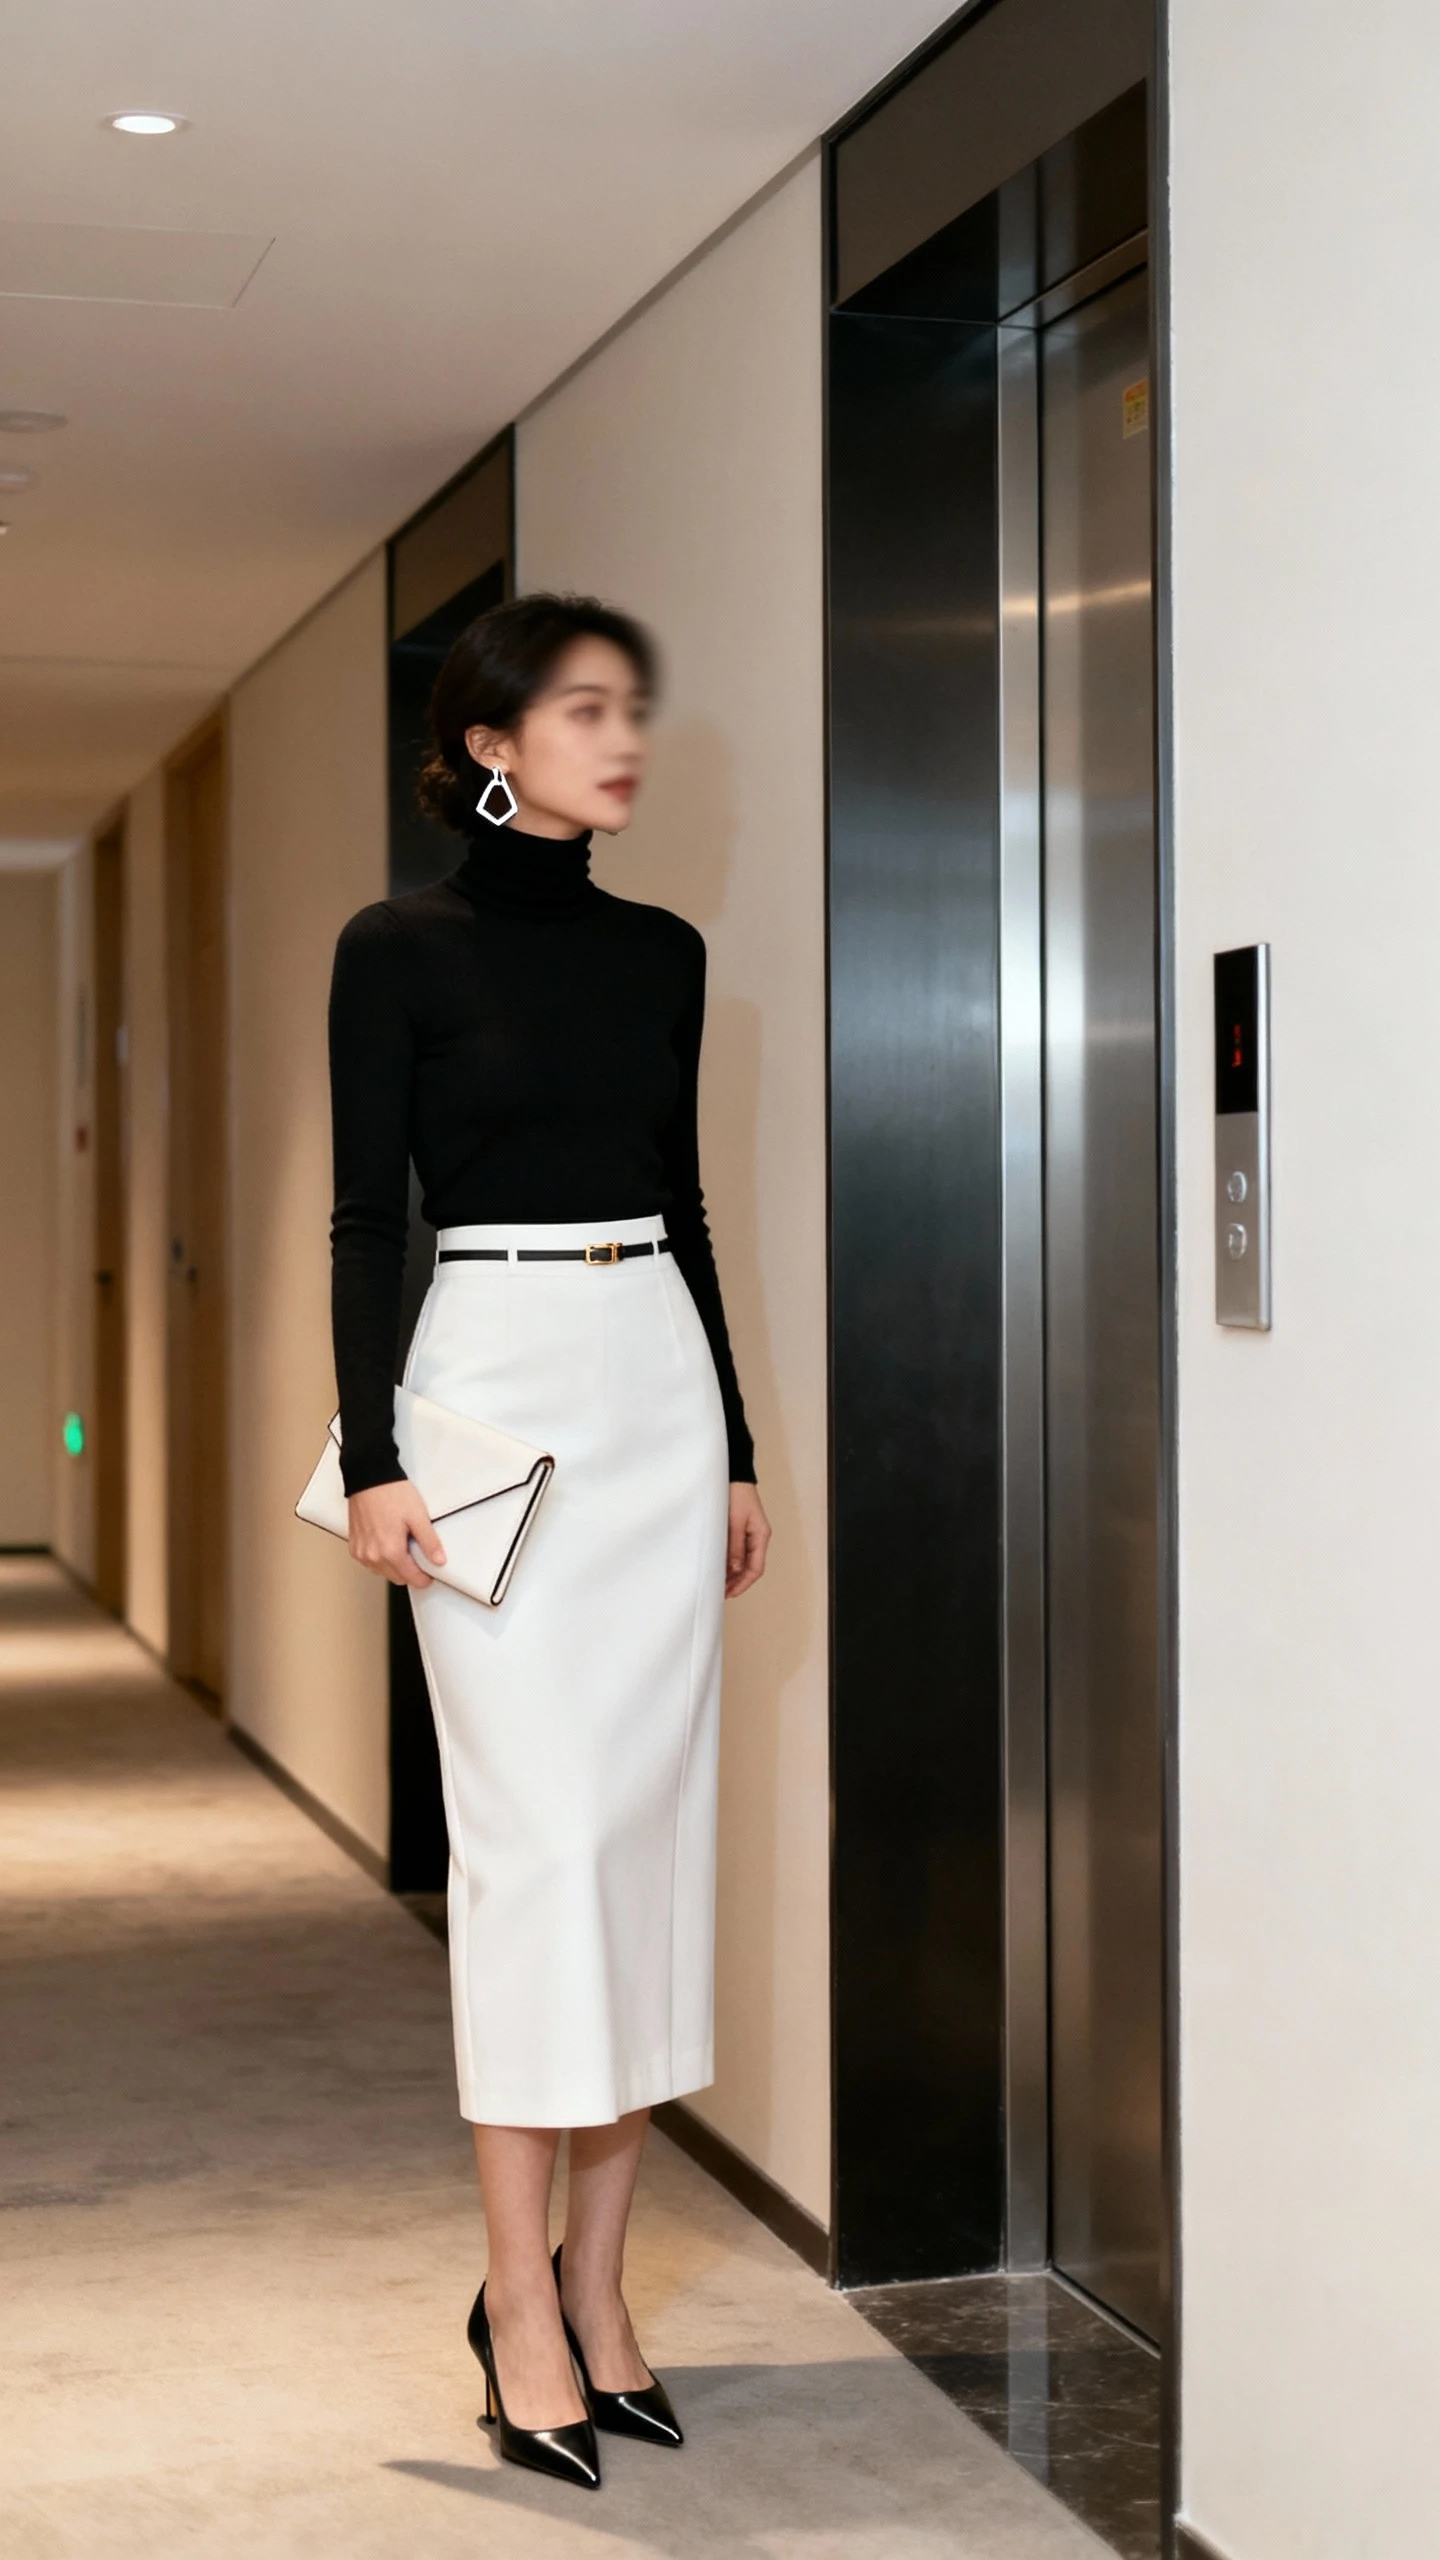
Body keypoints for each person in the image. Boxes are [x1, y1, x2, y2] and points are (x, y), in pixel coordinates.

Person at [327, 592, 770, 2491]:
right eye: (585, 710)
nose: (626, 738)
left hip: (655, 1392)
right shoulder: (396, 949)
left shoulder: (662, 953)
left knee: (650, 1844)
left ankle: (601, 2295)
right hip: (487, 1391)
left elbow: (680, 1203)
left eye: (635, 710)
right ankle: (514, 2303)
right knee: (537, 1853)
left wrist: (736, 1443)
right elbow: (367, 1220)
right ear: (491, 742)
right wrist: (371, 1458)